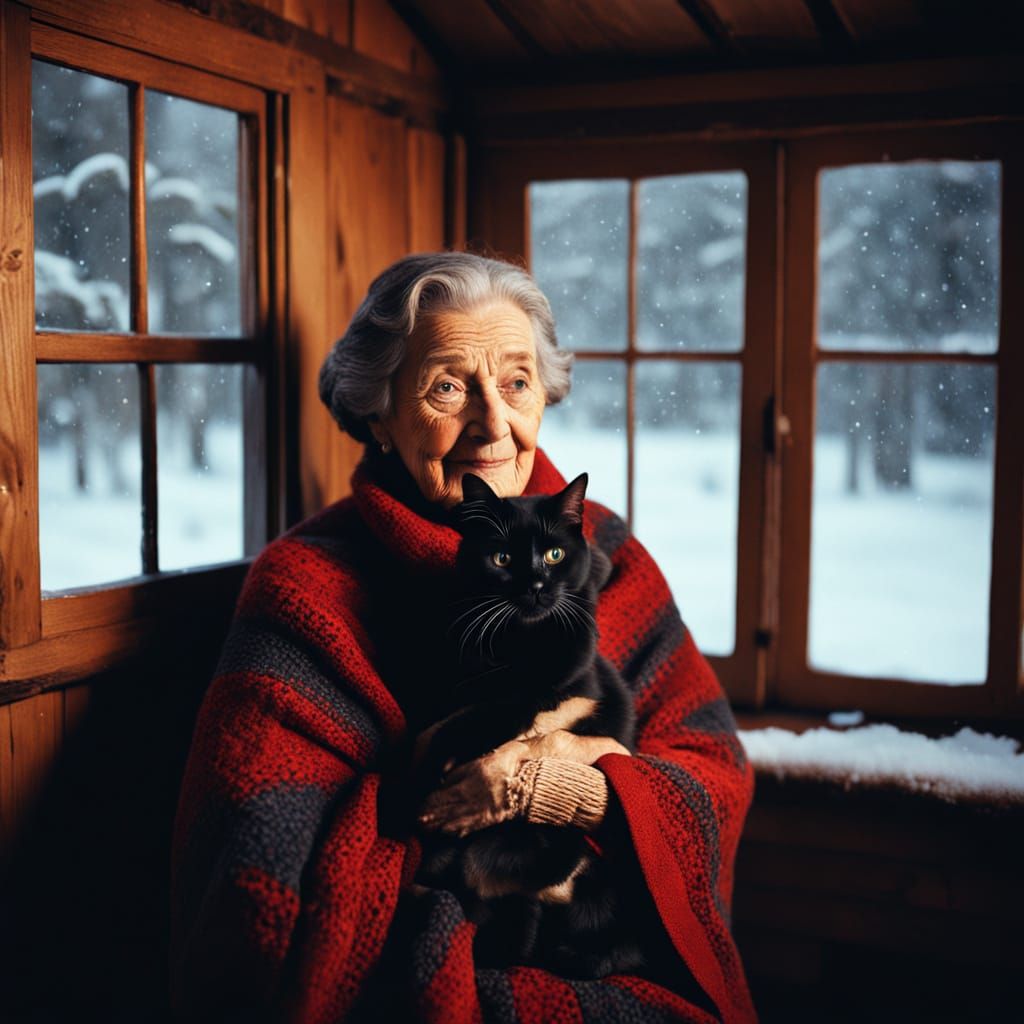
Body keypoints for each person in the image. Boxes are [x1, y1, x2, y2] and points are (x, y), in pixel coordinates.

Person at [169, 252, 757, 1023]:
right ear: (378, 413)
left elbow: (713, 767)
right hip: (427, 979)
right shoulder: (306, 584)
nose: (493, 423)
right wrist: (439, 807)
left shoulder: (602, 547)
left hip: (614, 966)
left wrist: (574, 783)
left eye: (516, 382)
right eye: (448, 386)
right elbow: (258, 861)